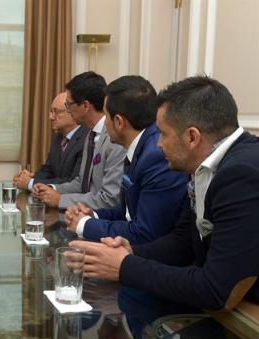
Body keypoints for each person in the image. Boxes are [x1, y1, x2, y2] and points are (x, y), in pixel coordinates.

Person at [71, 76, 259, 309]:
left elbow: (214, 290)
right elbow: (183, 242)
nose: (158, 144)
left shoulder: (242, 175)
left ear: (192, 137)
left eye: (162, 134)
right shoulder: (204, 162)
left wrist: (125, 266)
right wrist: (132, 251)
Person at [64, 76, 188, 245]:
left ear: (119, 122)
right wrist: (93, 215)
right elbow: (129, 212)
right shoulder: (142, 146)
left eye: (106, 116)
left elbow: (144, 233)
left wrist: (84, 225)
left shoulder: (155, 156)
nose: (104, 124)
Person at [32, 72, 126, 210]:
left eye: (69, 104)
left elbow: (110, 199)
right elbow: (82, 183)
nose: (68, 110)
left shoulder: (114, 138)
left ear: (86, 106)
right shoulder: (91, 134)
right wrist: (51, 189)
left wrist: (60, 200)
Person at [13, 92, 88, 190]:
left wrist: (30, 183)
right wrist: (32, 176)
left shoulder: (86, 139)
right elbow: (48, 170)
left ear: (72, 110)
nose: (51, 117)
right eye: (51, 111)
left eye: (57, 111)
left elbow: (72, 181)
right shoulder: (57, 137)